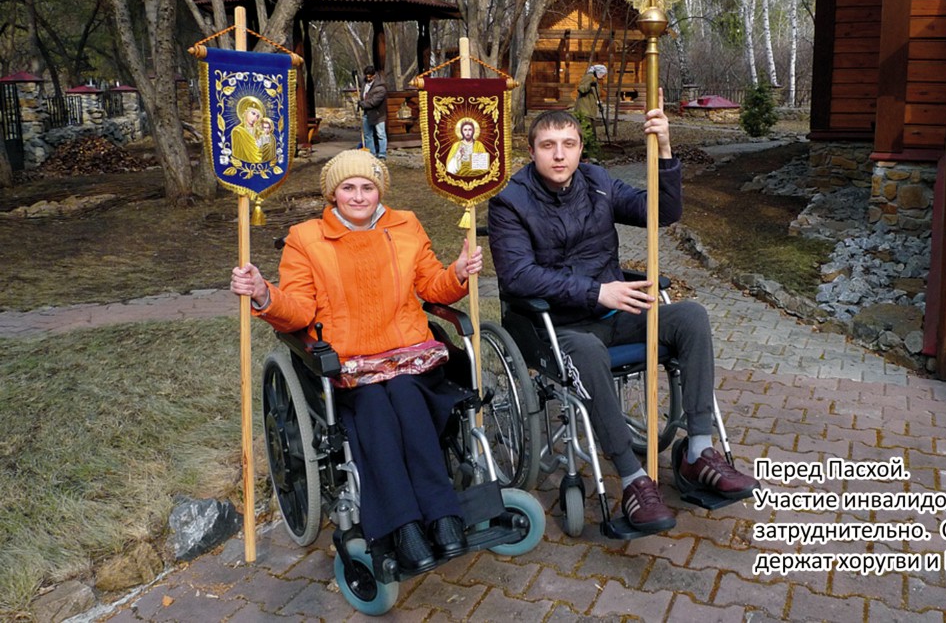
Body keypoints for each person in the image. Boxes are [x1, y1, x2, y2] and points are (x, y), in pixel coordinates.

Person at [486, 103, 758, 534]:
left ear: (580, 149)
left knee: (690, 316)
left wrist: (664, 148)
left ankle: (698, 451)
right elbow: (518, 276)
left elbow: (661, 213)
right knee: (589, 350)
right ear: (532, 151)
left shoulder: (597, 182)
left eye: (569, 144)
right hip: (555, 327)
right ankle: (633, 478)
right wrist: (596, 291)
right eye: (548, 145)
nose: (559, 154)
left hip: (615, 314)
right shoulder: (510, 202)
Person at [230, 149, 482, 576]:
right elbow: (299, 310)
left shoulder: (405, 225)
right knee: (375, 410)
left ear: (379, 191)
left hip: (407, 354)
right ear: (333, 194)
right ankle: (403, 526)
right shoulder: (305, 239)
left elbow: (431, 286)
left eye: (368, 187)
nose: (359, 196)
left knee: (407, 399)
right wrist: (262, 293)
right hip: (348, 363)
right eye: (348, 187)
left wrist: (456, 272)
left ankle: (443, 514)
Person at [358, 65, 388, 159]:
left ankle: (382, 154)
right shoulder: (365, 82)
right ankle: (372, 153)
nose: (368, 78)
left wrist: (362, 104)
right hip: (367, 113)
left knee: (381, 135)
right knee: (367, 135)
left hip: (378, 114)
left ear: (374, 75)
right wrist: (354, 75)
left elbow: (374, 102)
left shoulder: (381, 88)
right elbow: (359, 80)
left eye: (370, 76)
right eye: (366, 76)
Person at [230, 96, 267, 163]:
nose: (255, 118)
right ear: (245, 112)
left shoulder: (259, 131)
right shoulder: (238, 131)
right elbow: (237, 154)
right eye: (253, 113)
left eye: (258, 116)